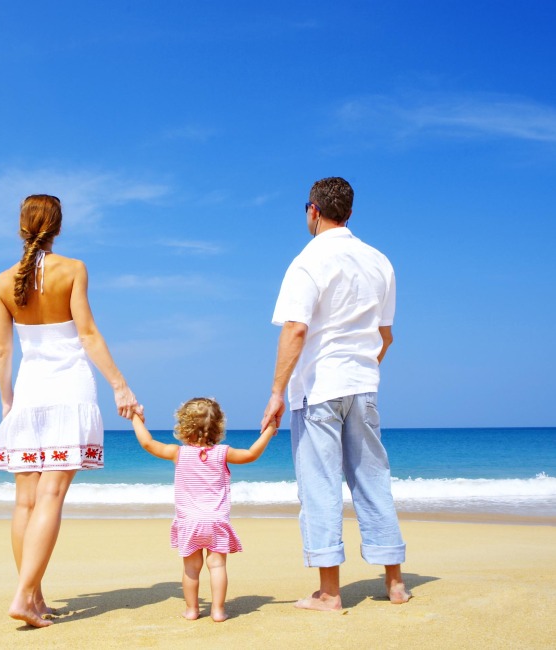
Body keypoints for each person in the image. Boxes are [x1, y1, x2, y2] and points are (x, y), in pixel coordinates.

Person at [261, 176, 411, 611]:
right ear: (348, 211)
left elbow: (296, 328)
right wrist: (361, 371)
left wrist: (276, 392)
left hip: (318, 389)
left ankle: (329, 593)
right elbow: (386, 337)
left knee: (321, 486)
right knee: (372, 481)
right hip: (363, 386)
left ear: (313, 210)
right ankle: (395, 583)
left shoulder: (307, 260)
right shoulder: (379, 261)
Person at [0, 194, 140, 628]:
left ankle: (33, 597)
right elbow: (88, 334)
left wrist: (7, 402)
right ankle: (24, 596)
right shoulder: (73, 269)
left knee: (25, 502)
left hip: (28, 393)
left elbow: (3, 352)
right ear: (57, 226)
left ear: (21, 226)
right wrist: (121, 386)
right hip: (68, 390)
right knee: (51, 496)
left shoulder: (3, 282)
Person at [130, 398, 277, 622]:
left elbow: (148, 443)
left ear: (183, 426)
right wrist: (269, 431)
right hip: (216, 521)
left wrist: (135, 418)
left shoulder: (177, 453)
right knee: (217, 565)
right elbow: (250, 454)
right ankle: (217, 611)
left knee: (191, 568)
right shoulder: (222, 453)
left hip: (189, 522)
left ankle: (192, 610)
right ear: (218, 427)